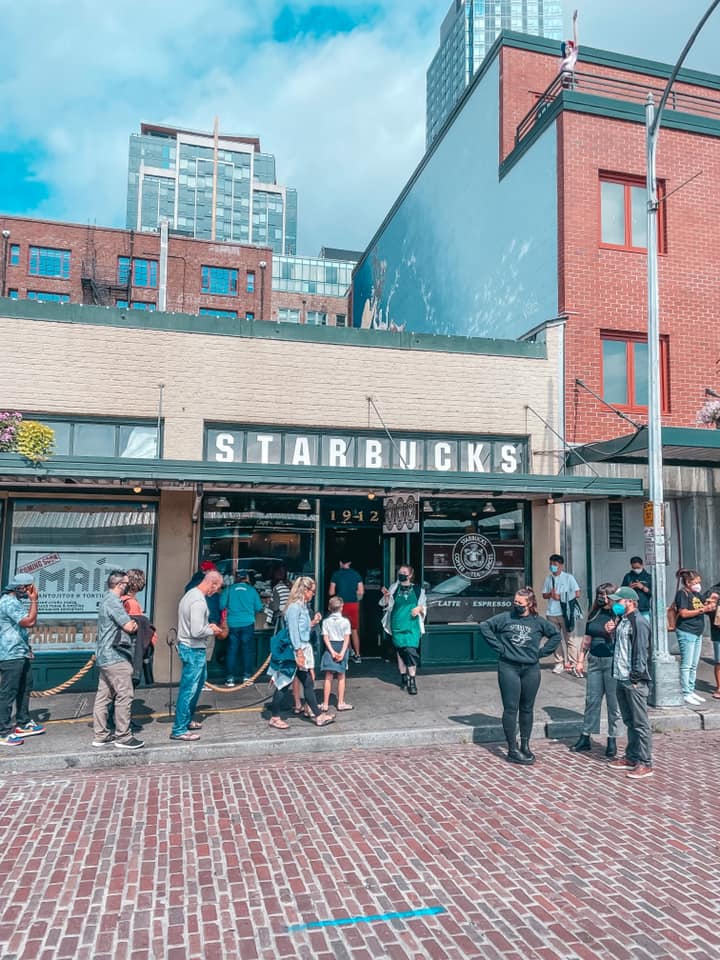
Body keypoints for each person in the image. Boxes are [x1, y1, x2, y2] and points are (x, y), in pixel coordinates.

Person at [479, 588, 560, 765]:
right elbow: (484, 626)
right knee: (510, 708)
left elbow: (555, 635)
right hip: (509, 666)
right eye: (515, 602)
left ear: (530, 604)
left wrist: (542, 652)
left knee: (527, 708)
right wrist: (500, 648)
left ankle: (525, 744)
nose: (516, 605)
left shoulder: (538, 622)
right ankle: (512, 748)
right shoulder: (506, 618)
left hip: (530, 668)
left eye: (520, 603)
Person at [268, 577, 334, 729]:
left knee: (307, 683)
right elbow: (293, 631)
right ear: (305, 590)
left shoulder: (302, 607)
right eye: (312, 591)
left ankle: (318, 715)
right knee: (284, 683)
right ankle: (275, 717)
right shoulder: (294, 607)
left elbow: (301, 629)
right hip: (294, 651)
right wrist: (298, 652)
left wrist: (312, 623)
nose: (313, 594)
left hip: (301, 648)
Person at [92, 570, 143, 750]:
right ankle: (123, 736)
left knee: (103, 696)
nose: (128, 586)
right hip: (115, 656)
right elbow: (129, 626)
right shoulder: (113, 602)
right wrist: (137, 623)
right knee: (125, 694)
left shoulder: (105, 599)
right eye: (126, 583)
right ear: (120, 585)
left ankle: (101, 735)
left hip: (104, 655)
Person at [606, 587, 654, 780]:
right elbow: (620, 648)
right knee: (629, 720)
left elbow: (641, 652)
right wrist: (610, 632)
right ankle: (632, 756)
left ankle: (645, 762)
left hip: (633, 679)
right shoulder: (622, 621)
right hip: (620, 676)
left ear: (630, 602)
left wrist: (635, 678)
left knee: (640, 723)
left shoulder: (639, 622)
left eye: (619, 601)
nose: (615, 604)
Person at [171, 569, 224, 741]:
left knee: (195, 686)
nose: (216, 592)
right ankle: (179, 729)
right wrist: (212, 629)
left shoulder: (190, 595)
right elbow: (196, 631)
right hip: (193, 649)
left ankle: (186, 721)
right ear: (212, 583)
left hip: (191, 648)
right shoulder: (198, 602)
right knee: (189, 689)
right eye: (217, 588)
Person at [570, 582, 621, 758]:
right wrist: (580, 660)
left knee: (613, 703)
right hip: (594, 660)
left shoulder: (617, 614)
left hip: (612, 660)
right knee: (592, 699)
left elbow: (626, 637)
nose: (602, 598)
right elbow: (587, 638)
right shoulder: (594, 613)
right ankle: (586, 736)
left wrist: (613, 631)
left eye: (605, 595)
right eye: (599, 594)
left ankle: (612, 738)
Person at [0, 573, 45, 747]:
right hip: (10, 654)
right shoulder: (9, 602)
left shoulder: (13, 601)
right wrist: (34, 600)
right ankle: (3, 731)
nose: (32, 590)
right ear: (21, 588)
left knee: (25, 687)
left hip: (20, 652)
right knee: (8, 692)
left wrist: (28, 648)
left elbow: (18, 630)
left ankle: (23, 722)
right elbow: (28, 622)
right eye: (30, 587)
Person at [380, 564, 426, 695]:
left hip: (412, 626)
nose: (401, 574)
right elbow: (385, 604)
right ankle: (403, 677)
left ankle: (412, 681)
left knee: (411, 651)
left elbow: (424, 605)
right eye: (400, 572)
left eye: (404, 572)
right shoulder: (394, 588)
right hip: (397, 625)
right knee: (401, 652)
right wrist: (387, 596)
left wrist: (419, 609)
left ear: (410, 575)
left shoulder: (418, 590)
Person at [674, 568, 713, 705]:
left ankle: (691, 689)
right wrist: (702, 610)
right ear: (688, 582)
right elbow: (683, 613)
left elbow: (705, 603)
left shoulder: (696, 594)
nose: (698, 585)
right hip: (686, 632)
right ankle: (685, 692)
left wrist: (711, 602)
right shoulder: (682, 594)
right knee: (687, 664)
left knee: (693, 665)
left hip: (697, 632)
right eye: (696, 582)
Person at [220, 569, 263, 686]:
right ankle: (247, 677)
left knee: (231, 651)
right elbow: (259, 607)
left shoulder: (228, 590)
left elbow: (221, 605)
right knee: (247, 651)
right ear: (247, 578)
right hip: (247, 623)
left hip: (232, 624)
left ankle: (230, 679)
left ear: (236, 578)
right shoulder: (252, 590)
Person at [542, 554, 581, 675]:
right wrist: (550, 595)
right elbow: (544, 595)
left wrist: (561, 597)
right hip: (551, 613)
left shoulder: (569, 578)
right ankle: (559, 662)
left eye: (555, 565)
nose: (552, 567)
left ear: (561, 566)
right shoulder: (548, 579)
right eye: (551, 564)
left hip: (566, 614)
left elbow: (577, 593)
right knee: (555, 638)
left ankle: (573, 664)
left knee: (570, 639)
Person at [121, 568, 157, 686]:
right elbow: (136, 628)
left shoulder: (121, 599)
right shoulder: (131, 603)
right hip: (131, 649)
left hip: (123, 648)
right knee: (127, 689)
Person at [320, 596, 353, 713]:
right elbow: (347, 639)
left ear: (329, 608)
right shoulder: (345, 622)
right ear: (342, 607)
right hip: (341, 647)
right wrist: (342, 652)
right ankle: (340, 703)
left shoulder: (325, 621)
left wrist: (332, 651)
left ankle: (325, 704)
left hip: (330, 648)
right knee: (341, 675)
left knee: (328, 675)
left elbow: (325, 638)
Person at [329, 559, 364, 663]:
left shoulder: (336, 574)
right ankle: (357, 655)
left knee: (343, 629)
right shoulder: (356, 574)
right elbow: (361, 591)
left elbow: (331, 592)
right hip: (353, 604)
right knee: (353, 629)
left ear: (340, 562)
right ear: (350, 562)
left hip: (340, 604)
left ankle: (348, 652)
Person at [704, 579, 720, 700]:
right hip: (718, 632)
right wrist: (711, 605)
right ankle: (719, 688)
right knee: (719, 662)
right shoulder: (713, 591)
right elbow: (703, 606)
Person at [621, 557, 652, 622]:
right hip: (630, 609)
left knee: (644, 628)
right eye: (634, 568)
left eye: (637, 568)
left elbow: (652, 593)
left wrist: (642, 587)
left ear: (642, 565)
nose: (635, 570)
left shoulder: (648, 577)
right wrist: (629, 588)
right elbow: (621, 593)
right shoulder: (628, 576)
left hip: (644, 610)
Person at [559, 9, 578, 87]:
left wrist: (574, 22)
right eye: (566, 47)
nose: (568, 48)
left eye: (570, 47)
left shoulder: (573, 56)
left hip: (570, 78)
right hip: (563, 80)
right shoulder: (561, 60)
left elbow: (576, 39)